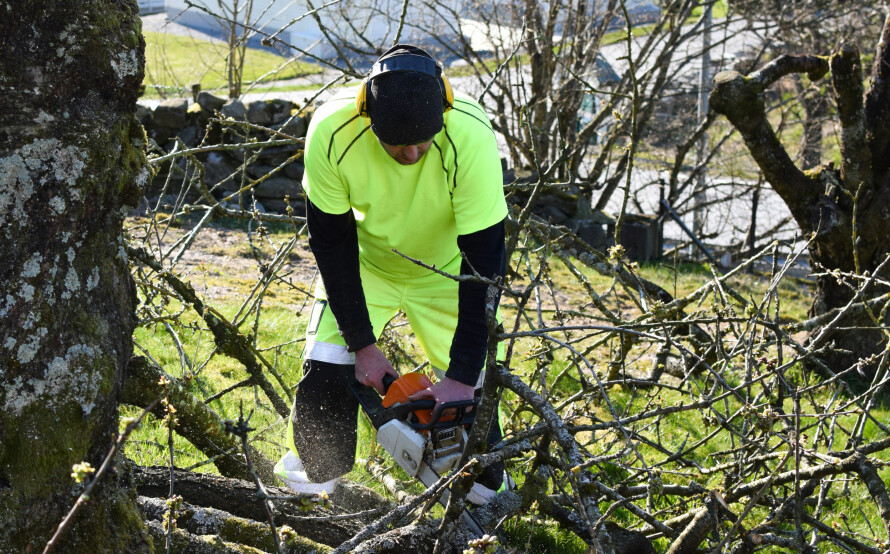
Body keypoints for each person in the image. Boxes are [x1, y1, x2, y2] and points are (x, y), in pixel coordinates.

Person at [275, 44, 508, 503]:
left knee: (472, 404)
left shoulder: (471, 136)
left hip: (449, 273)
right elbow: (331, 243)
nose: (411, 152)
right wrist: (361, 344)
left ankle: (484, 494)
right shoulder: (332, 131)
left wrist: (460, 374)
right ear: (368, 116)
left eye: (422, 140)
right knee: (325, 368)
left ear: (445, 106)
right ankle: (312, 487)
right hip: (367, 266)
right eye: (397, 143)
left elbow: (484, 262)